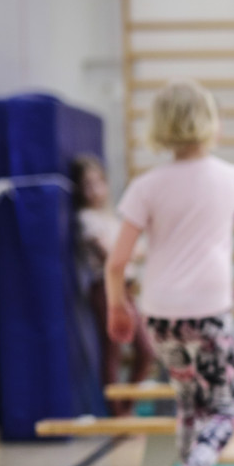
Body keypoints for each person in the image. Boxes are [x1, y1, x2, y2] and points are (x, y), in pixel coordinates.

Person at [105, 79, 234, 466]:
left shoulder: (147, 186)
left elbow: (117, 260)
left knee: (187, 405)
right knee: (223, 412)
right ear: (210, 124)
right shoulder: (229, 177)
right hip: (209, 311)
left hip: (160, 313)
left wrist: (116, 307)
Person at [71, 154, 155, 416]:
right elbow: (113, 254)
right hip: (105, 291)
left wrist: (131, 250)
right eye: (87, 185)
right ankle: (118, 415)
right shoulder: (86, 219)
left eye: (98, 182)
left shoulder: (111, 217)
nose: (95, 190)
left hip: (126, 289)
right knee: (113, 353)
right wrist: (130, 250)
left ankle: (126, 409)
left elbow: (134, 251)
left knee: (146, 350)